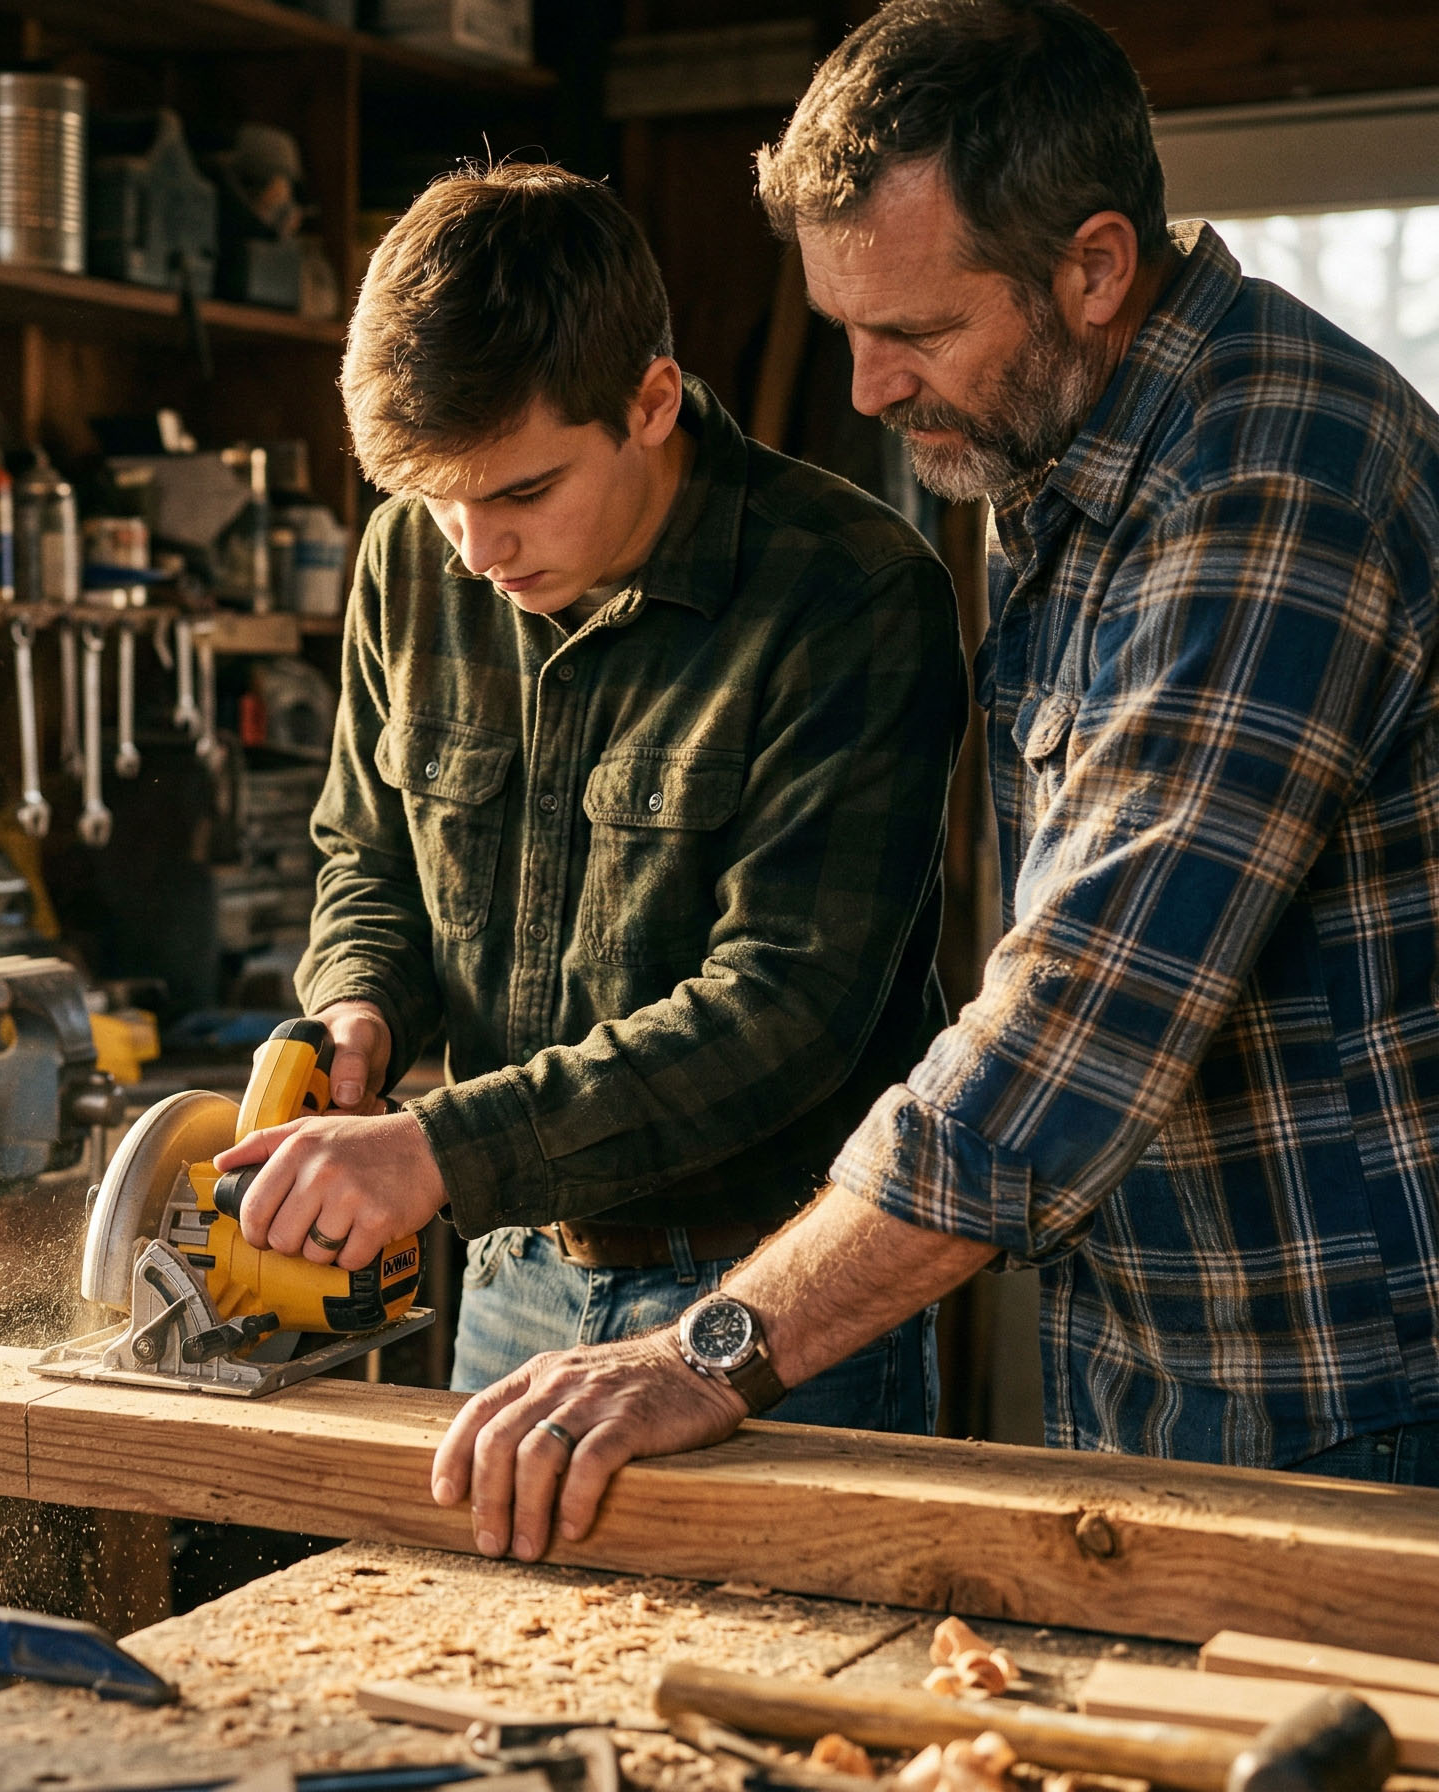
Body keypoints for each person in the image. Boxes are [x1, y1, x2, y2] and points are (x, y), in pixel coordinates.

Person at [434, 0, 1439, 1565]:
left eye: (911, 333)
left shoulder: (1265, 487)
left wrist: (710, 1348)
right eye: (843, 328)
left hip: (1357, 1393)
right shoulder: (1080, 458)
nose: (867, 391)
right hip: (1169, 1360)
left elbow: (1074, 1028)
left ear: (1094, 269)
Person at [210, 161, 969, 1434]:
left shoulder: (852, 595)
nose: (476, 551)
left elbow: (783, 1008)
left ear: (652, 400)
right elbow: (368, 855)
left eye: (520, 492)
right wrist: (357, 1007)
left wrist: (438, 1151)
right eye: (435, 498)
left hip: (774, 1303)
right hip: (507, 1272)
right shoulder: (417, 557)